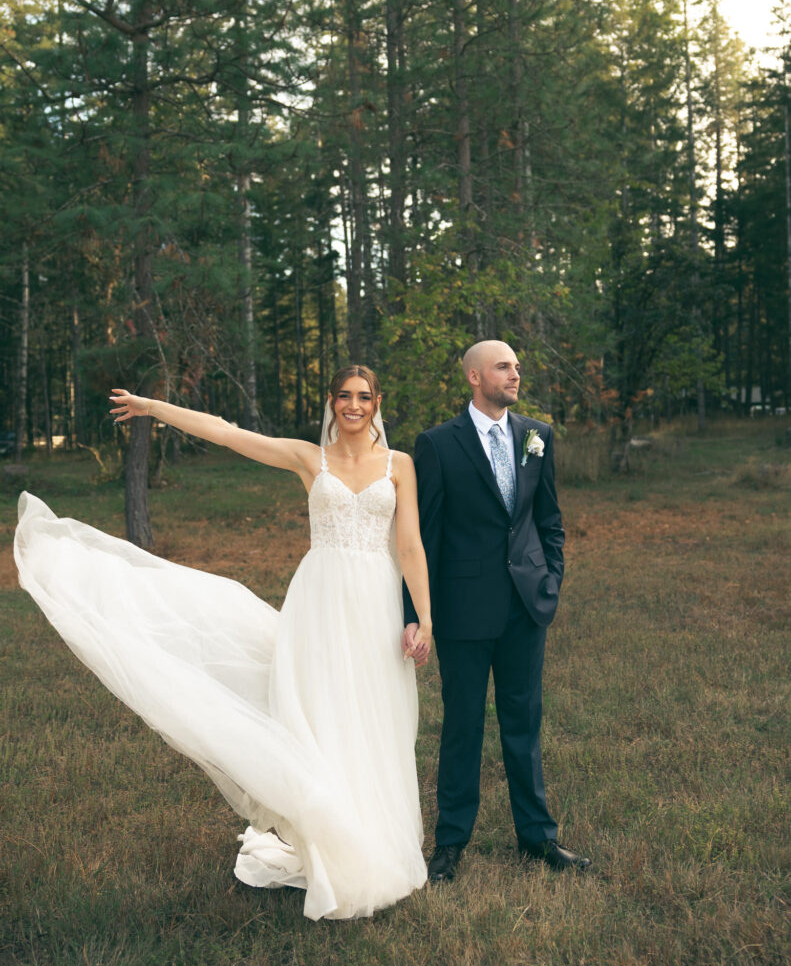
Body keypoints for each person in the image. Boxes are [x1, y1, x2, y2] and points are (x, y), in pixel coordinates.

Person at [14, 365, 433, 920]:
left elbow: (410, 546)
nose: (353, 406)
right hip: (321, 601)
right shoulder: (312, 459)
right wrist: (153, 408)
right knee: (322, 716)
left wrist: (422, 618)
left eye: (363, 397)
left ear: (377, 402)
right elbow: (228, 433)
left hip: (375, 603)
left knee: (374, 717)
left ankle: (375, 839)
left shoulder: (400, 466)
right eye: (343, 397)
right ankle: (331, 844)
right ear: (332, 403)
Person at [402, 340, 591, 882]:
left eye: (516, 367)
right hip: (463, 610)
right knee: (462, 728)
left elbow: (548, 517)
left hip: (526, 606)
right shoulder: (438, 445)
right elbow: (423, 538)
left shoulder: (536, 435)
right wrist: (416, 612)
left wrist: (549, 578)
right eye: (504, 367)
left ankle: (537, 838)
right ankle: (450, 843)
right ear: (473, 376)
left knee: (523, 724)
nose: (515, 374)